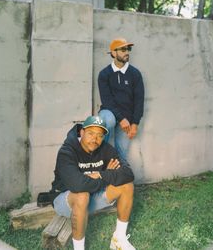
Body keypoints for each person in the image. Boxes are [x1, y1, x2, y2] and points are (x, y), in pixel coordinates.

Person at [50, 115, 136, 250]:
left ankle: (118, 239)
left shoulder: (105, 149)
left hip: (92, 198)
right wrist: (107, 177)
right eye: (91, 134)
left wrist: (101, 174)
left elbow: (128, 174)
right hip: (67, 202)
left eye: (99, 136)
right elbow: (77, 185)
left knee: (127, 186)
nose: (95, 140)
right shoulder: (67, 151)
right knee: (82, 195)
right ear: (82, 132)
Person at [98, 38, 145, 160]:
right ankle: (102, 153)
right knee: (108, 120)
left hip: (127, 120)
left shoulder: (135, 74)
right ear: (113, 53)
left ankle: (122, 177)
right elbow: (106, 100)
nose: (127, 52)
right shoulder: (104, 74)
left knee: (122, 156)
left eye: (128, 49)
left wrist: (135, 123)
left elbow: (139, 100)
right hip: (109, 113)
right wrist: (121, 119)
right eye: (123, 49)